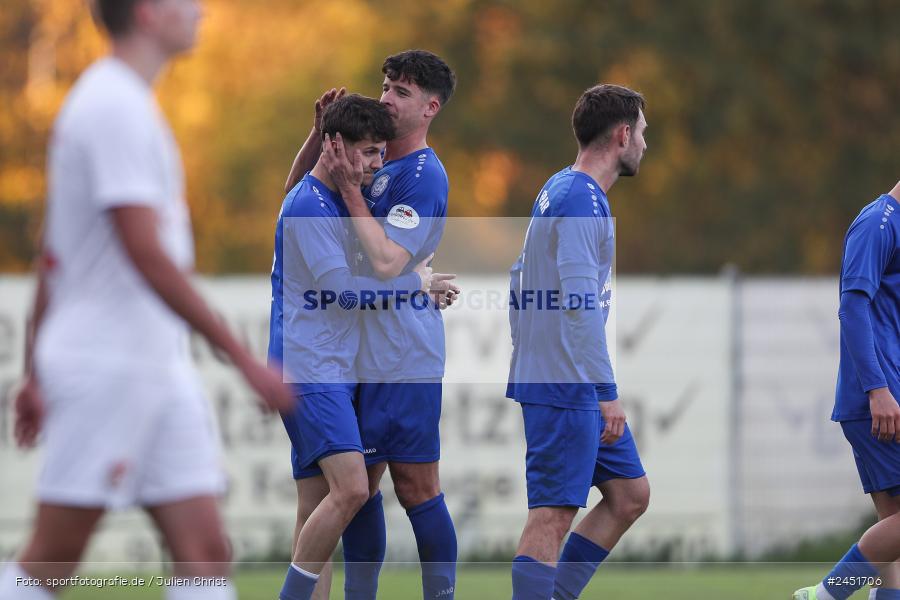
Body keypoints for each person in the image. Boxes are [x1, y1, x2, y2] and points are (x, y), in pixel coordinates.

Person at [0, 1, 294, 599]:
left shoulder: (128, 104)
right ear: (147, 14)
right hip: (109, 365)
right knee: (51, 561)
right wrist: (242, 359)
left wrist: (33, 370)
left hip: (152, 368)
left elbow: (53, 256)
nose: (201, 10)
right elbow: (146, 253)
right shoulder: (112, 107)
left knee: (206, 554)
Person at [288, 49, 459, 600]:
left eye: (402, 92)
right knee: (357, 491)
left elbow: (386, 263)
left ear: (430, 107)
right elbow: (298, 199)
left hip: (402, 353)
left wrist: (355, 192)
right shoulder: (371, 161)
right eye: (386, 85)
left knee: (417, 487)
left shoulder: (423, 175)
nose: (387, 97)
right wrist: (320, 138)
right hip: (355, 351)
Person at [505, 84, 651, 600]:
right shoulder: (580, 200)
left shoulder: (562, 188)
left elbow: (517, 279)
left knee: (630, 494)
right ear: (621, 134)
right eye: (643, 133)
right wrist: (605, 390)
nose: (644, 145)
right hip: (566, 384)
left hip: (568, 380)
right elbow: (578, 303)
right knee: (551, 515)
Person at [793, 180, 900, 600]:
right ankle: (825, 595)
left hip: (887, 392)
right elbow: (852, 306)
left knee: (892, 528)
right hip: (879, 397)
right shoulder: (878, 223)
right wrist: (877, 389)